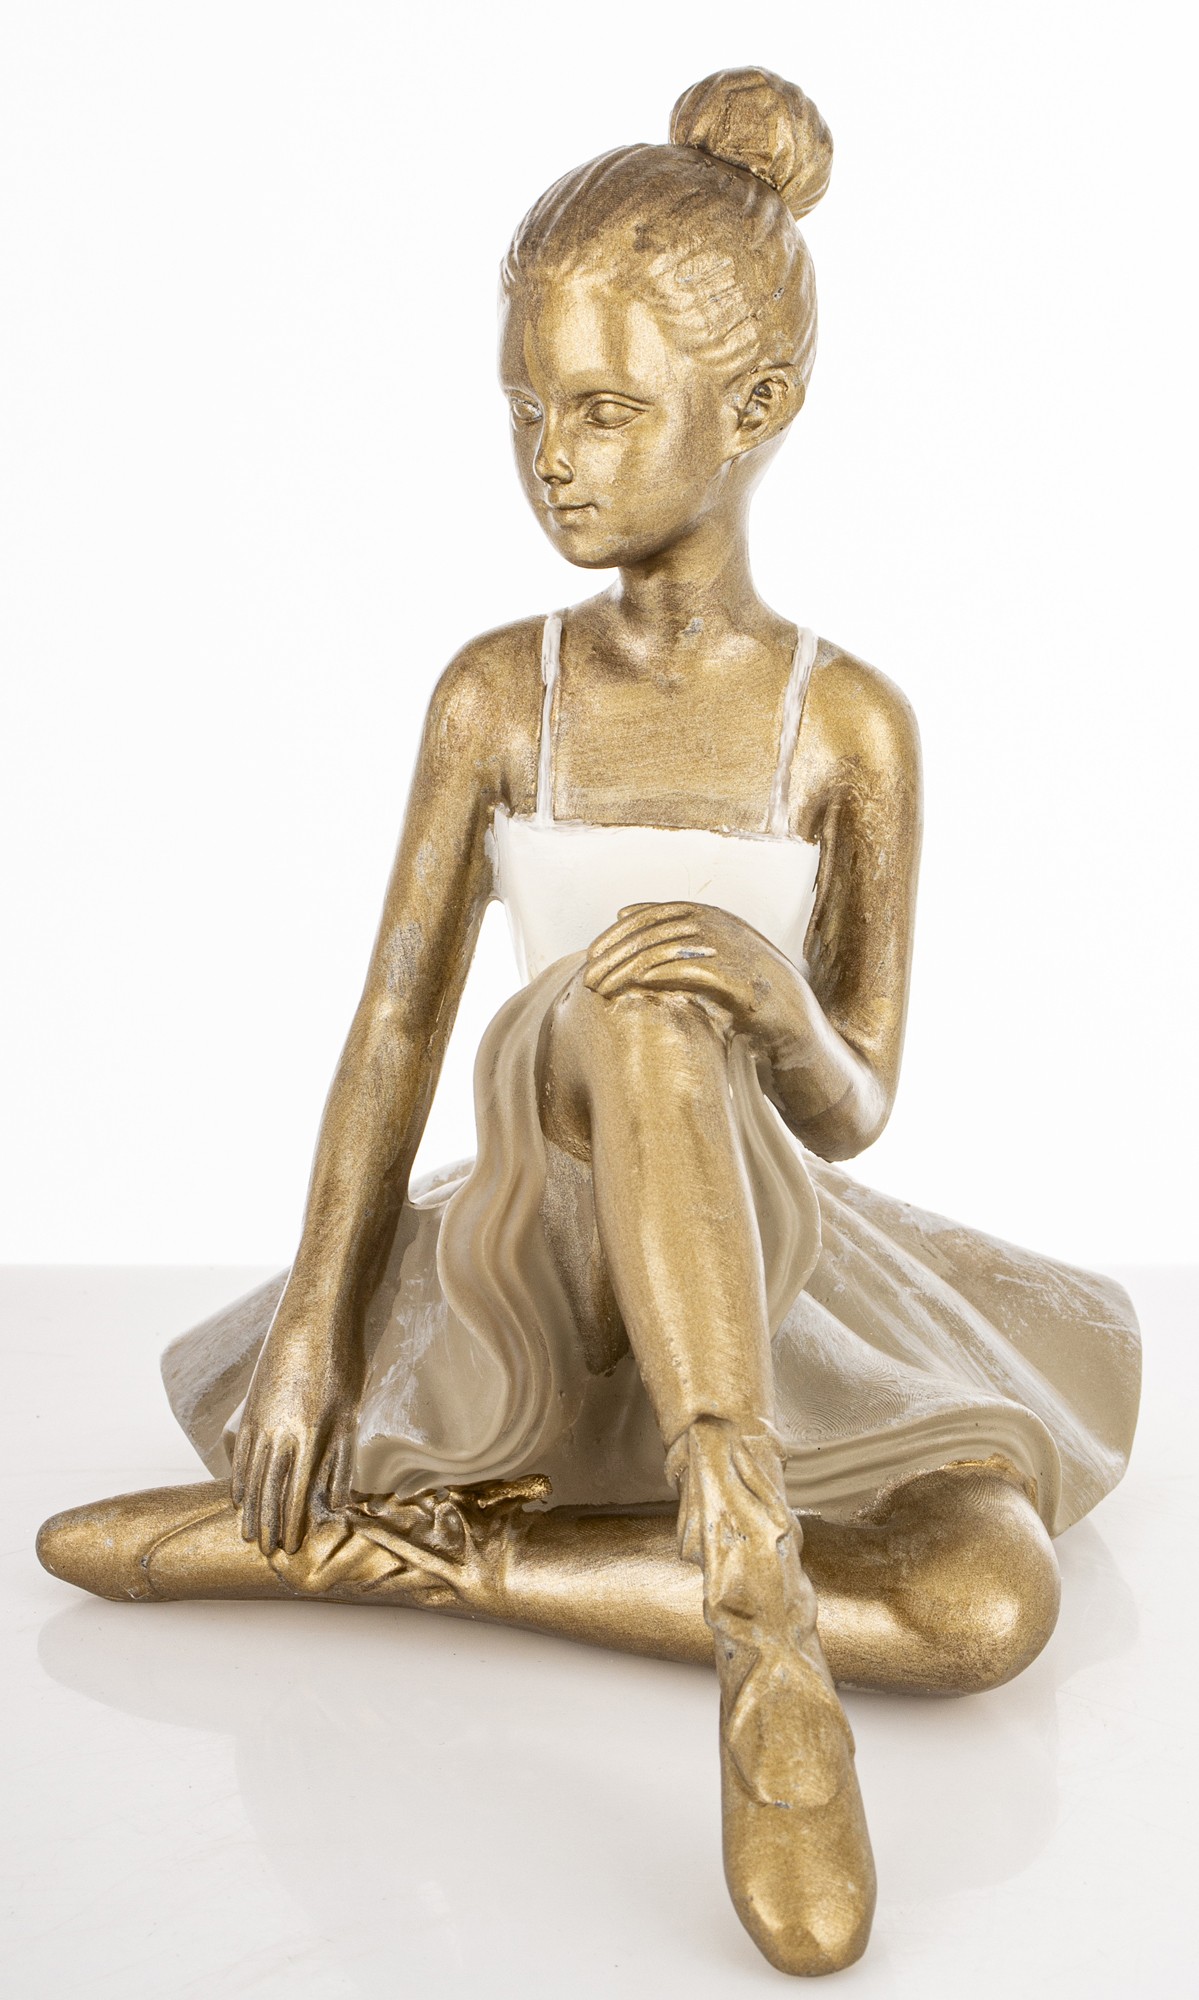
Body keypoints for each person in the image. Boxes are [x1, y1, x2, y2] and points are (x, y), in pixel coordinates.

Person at [37, 68, 1140, 1976]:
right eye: (526, 410)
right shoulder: (499, 692)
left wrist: (779, 1003)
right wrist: (311, 1333)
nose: (552, 457)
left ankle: (444, 1562)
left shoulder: (845, 724)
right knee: (634, 995)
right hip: (526, 1250)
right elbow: (396, 1023)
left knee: (986, 1609)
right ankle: (762, 1634)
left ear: (757, 408)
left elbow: (856, 1101)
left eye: (604, 410)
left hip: (747, 1247)